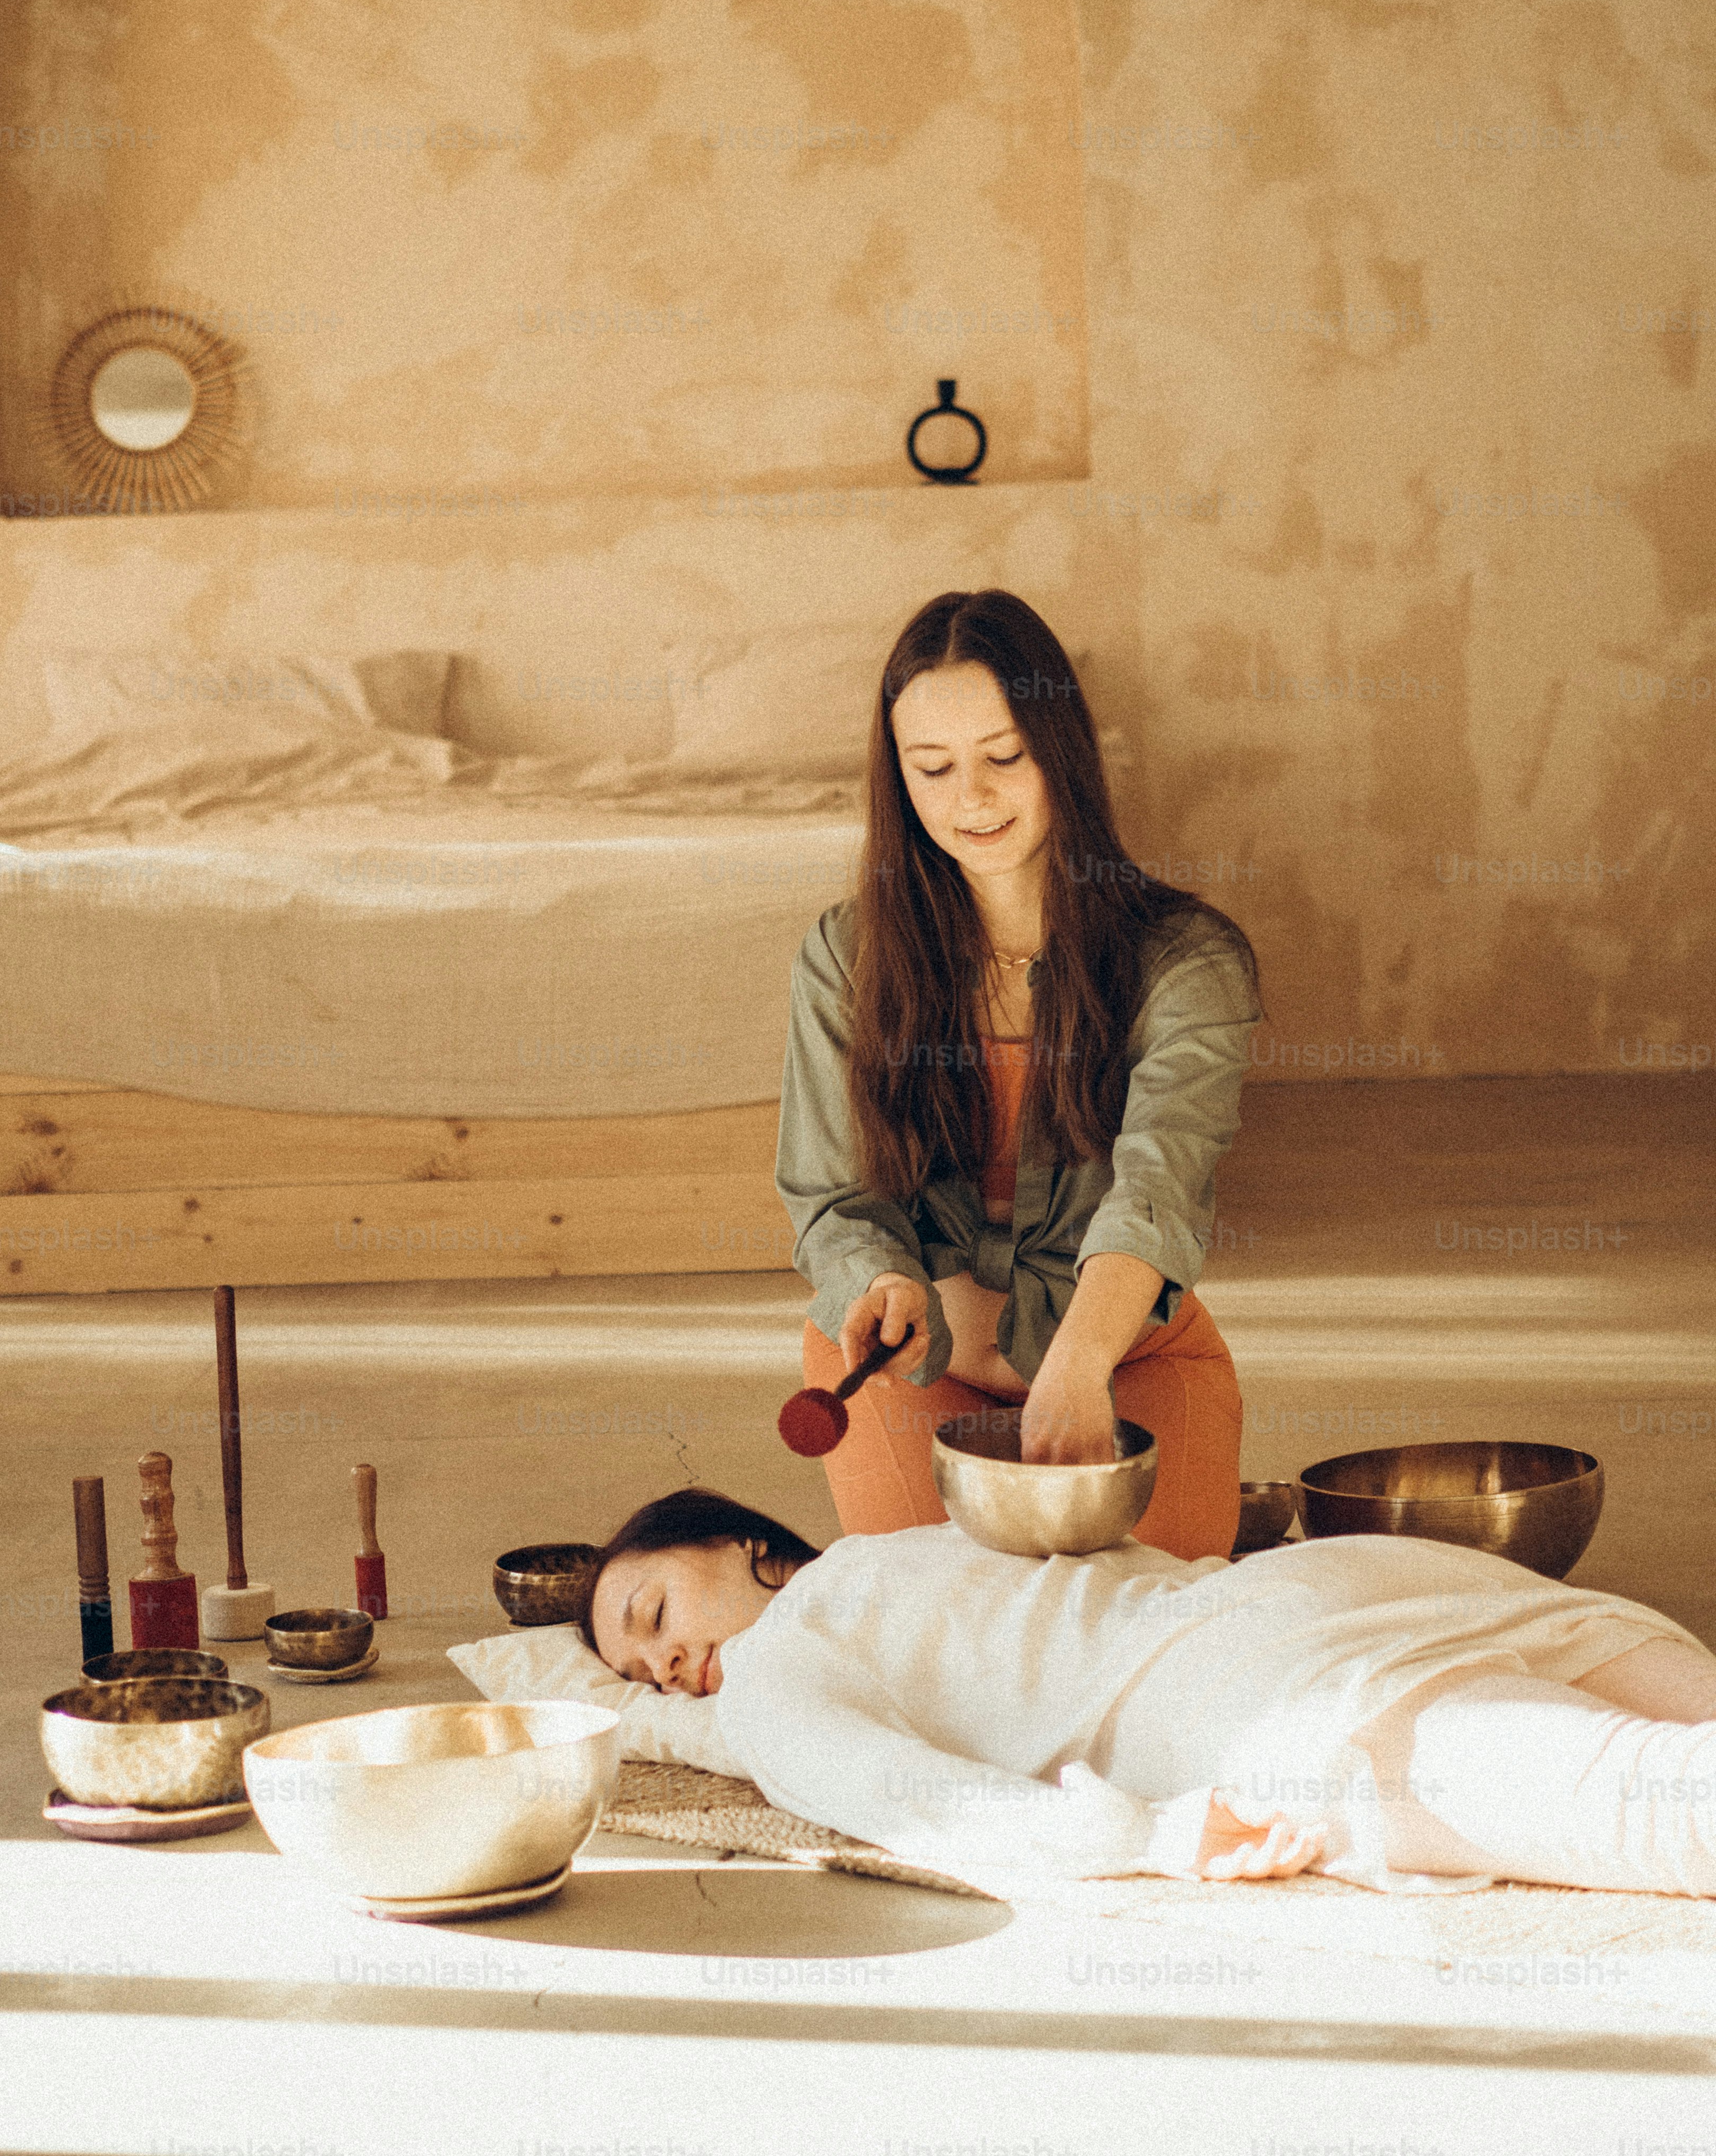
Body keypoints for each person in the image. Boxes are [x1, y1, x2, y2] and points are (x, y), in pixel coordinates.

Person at [775, 587, 1261, 1559]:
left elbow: (1159, 1187)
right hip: (917, 1374)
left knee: (1152, 1613)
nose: (972, 798)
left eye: (1004, 757)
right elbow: (832, 1198)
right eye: (933, 768)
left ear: (1060, 751)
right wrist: (880, 1280)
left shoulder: (1188, 962)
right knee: (939, 1613)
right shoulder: (844, 957)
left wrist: (1079, 1363)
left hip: (1123, 1359)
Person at [583, 1487, 1716, 1900]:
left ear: (739, 1542)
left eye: (655, 1615)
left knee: (1663, 1806)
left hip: (1249, 1701)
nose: (665, 1668)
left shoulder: (777, 1671)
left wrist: (1145, 1833)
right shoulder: (927, 1535)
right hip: (1341, 1583)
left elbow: (905, 1798)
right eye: (640, 1675)